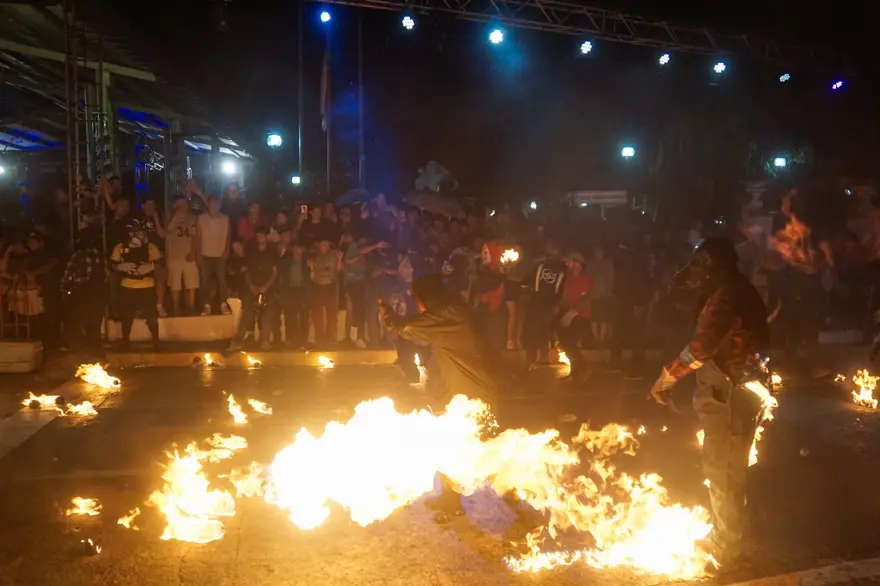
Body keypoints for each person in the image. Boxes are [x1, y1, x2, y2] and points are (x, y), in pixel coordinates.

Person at [648, 237, 769, 575]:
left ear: (711, 266)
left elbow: (701, 347)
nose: (694, 272)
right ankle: (731, 536)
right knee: (728, 471)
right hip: (737, 390)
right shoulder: (737, 289)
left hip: (729, 394)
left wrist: (668, 377)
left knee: (724, 473)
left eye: (700, 264)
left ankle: (728, 549)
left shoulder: (727, 296)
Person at [380, 273, 501, 411]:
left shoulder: (446, 314)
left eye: (415, 298)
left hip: (476, 403)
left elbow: (407, 328)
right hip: (471, 400)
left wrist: (388, 315)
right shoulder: (456, 309)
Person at [110, 217, 163, 350]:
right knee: (126, 315)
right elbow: (112, 264)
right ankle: (125, 340)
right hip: (127, 286)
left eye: (141, 232)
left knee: (151, 315)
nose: (138, 235)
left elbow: (160, 263)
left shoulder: (150, 247)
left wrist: (151, 266)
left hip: (147, 286)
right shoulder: (120, 247)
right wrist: (120, 267)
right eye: (135, 232)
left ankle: (156, 340)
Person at [228, 227, 277, 350]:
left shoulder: (272, 252)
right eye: (257, 236)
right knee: (247, 314)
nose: (258, 238)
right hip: (251, 287)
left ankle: (264, 341)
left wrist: (265, 287)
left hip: (267, 288)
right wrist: (250, 285)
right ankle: (237, 340)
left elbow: (274, 272)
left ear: (266, 237)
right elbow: (246, 270)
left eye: (261, 235)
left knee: (267, 315)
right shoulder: (251, 251)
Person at [60, 228, 105, 354]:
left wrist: (65, 291)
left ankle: (78, 352)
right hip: (97, 294)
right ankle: (95, 353)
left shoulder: (78, 255)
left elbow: (67, 276)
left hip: (80, 293)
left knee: (76, 322)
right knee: (94, 326)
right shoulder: (99, 255)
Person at [522, 239, 566, 366]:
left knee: (536, 330)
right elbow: (559, 289)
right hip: (545, 303)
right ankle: (539, 357)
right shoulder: (558, 269)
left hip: (540, 303)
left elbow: (535, 284)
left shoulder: (541, 266)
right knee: (542, 330)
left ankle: (534, 358)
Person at [557, 251, 593, 383]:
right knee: (565, 344)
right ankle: (576, 372)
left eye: (570, 261)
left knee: (570, 345)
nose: (567, 263)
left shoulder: (585, 280)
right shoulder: (569, 278)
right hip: (567, 313)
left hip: (578, 316)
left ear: (577, 264)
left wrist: (569, 316)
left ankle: (582, 369)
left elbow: (584, 301)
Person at [196, 193, 231, 315]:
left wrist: (227, 250)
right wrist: (198, 254)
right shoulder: (201, 218)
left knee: (222, 281)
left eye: (216, 204)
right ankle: (207, 305)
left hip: (220, 255)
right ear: (208, 205)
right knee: (204, 281)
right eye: (212, 204)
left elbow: (228, 236)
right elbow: (198, 237)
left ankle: (223, 304)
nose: (214, 206)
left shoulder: (225, 218)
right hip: (205, 254)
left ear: (219, 205)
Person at [164, 195, 199, 315]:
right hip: (174, 255)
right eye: (180, 204)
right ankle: (176, 308)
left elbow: (195, 236)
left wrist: (193, 252)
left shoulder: (192, 218)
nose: (183, 207)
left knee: (191, 283)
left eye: (184, 204)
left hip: (188, 255)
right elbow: (166, 231)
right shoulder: (168, 216)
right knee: (175, 285)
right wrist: (175, 217)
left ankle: (191, 307)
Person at [308, 236, 342, 347]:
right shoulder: (315, 257)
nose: (323, 247)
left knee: (332, 314)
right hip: (318, 286)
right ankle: (320, 338)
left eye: (325, 245)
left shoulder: (334, 256)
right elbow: (312, 277)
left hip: (330, 286)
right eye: (321, 245)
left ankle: (330, 338)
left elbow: (339, 270)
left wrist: (340, 259)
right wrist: (312, 268)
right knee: (317, 314)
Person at [277, 234, 310, 348]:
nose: (297, 254)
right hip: (290, 290)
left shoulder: (307, 262)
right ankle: (291, 339)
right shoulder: (286, 261)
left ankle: (303, 340)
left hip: (302, 290)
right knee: (290, 316)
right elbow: (280, 269)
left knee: (303, 316)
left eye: (299, 252)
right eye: (296, 251)